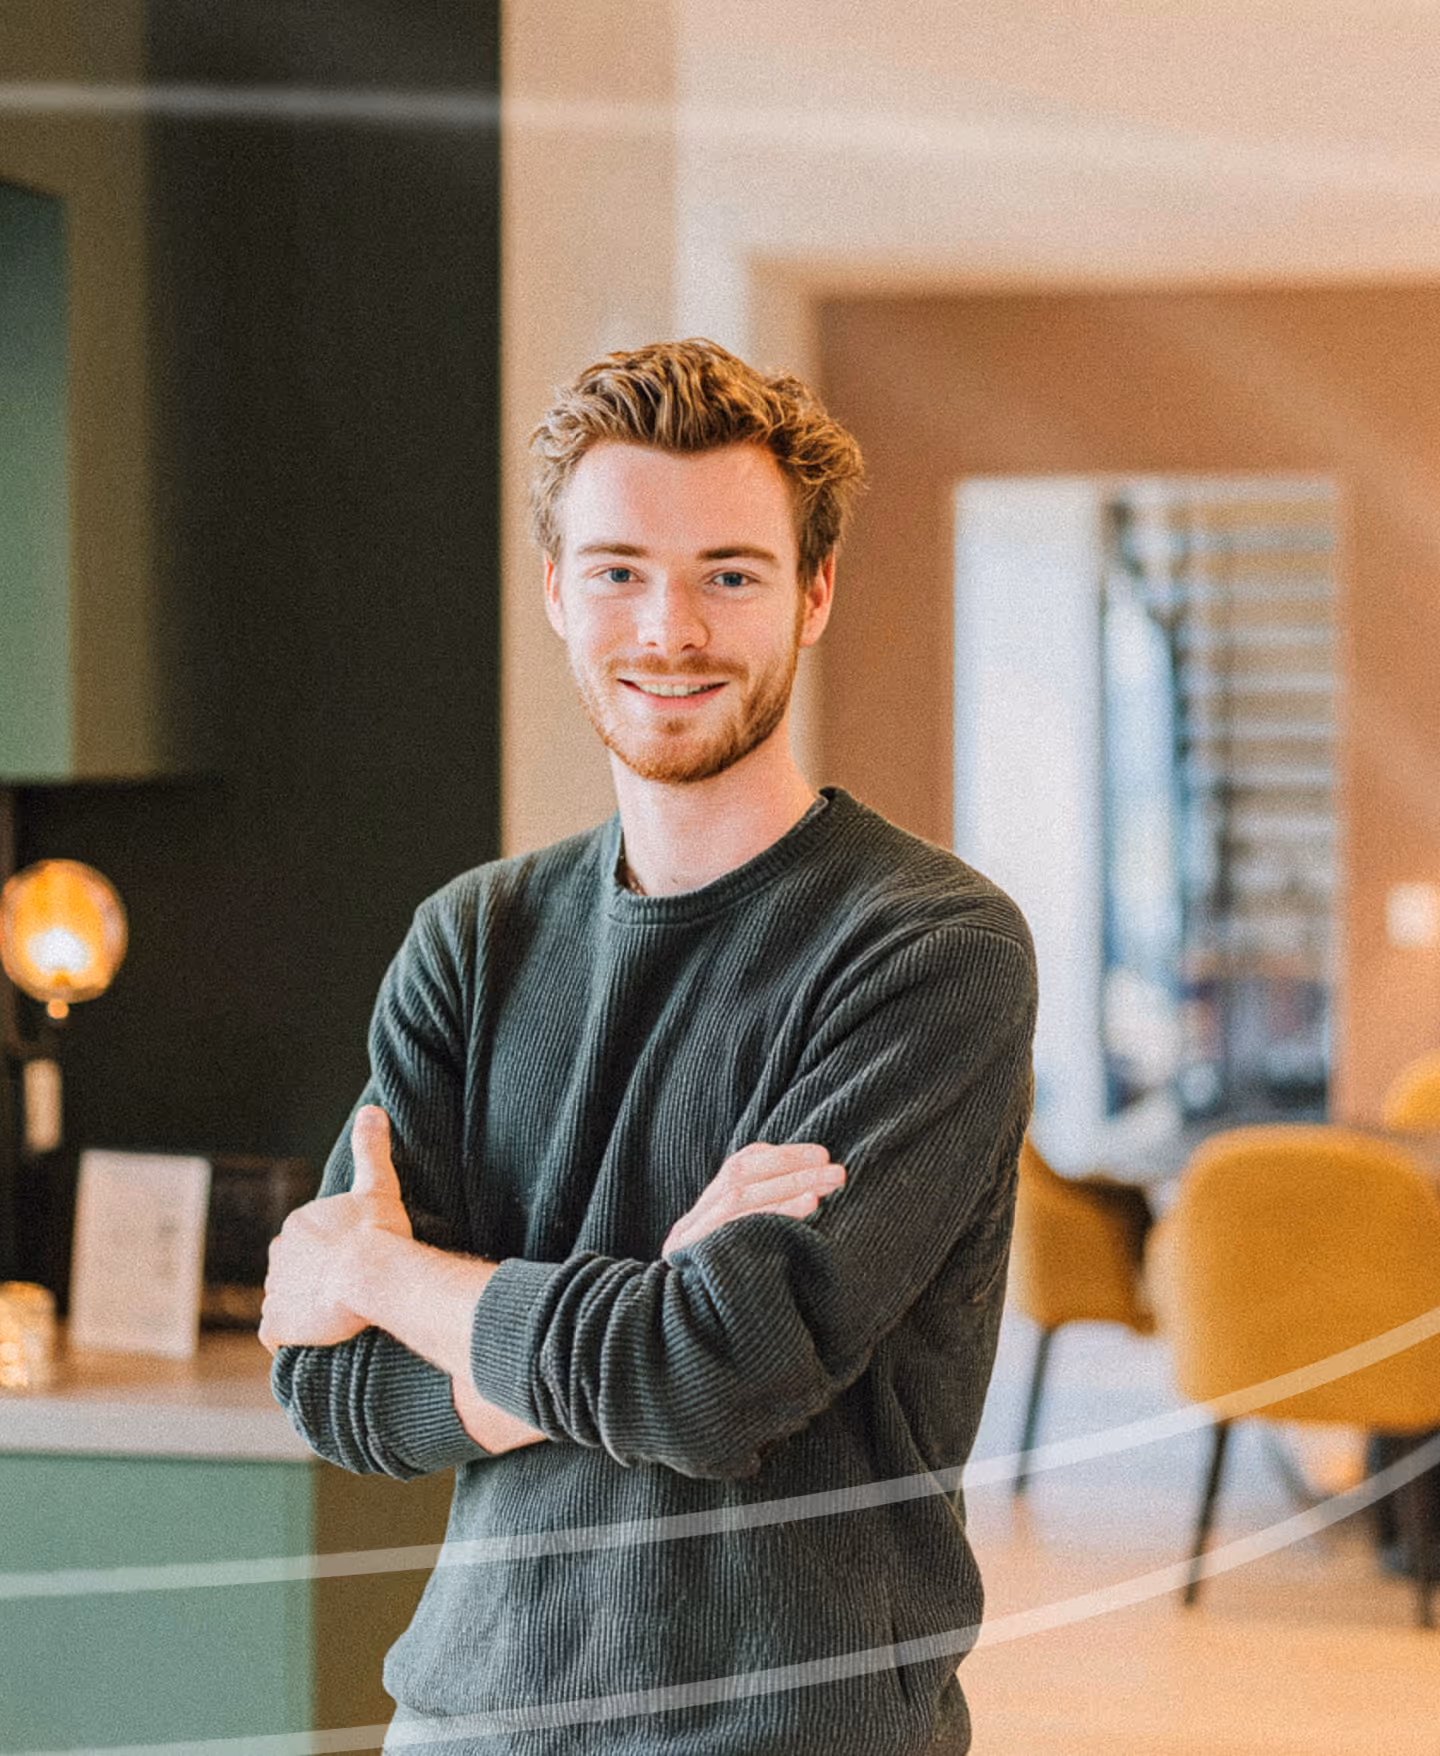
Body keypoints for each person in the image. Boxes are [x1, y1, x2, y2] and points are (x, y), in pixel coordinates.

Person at [263, 337, 1037, 1754]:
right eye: (619, 569)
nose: (669, 629)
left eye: (729, 574)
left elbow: (710, 1379)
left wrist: (385, 1270)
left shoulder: (930, 952)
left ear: (812, 596)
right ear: (558, 590)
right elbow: (332, 1387)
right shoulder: (474, 938)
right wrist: (637, 1317)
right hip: (467, 1721)